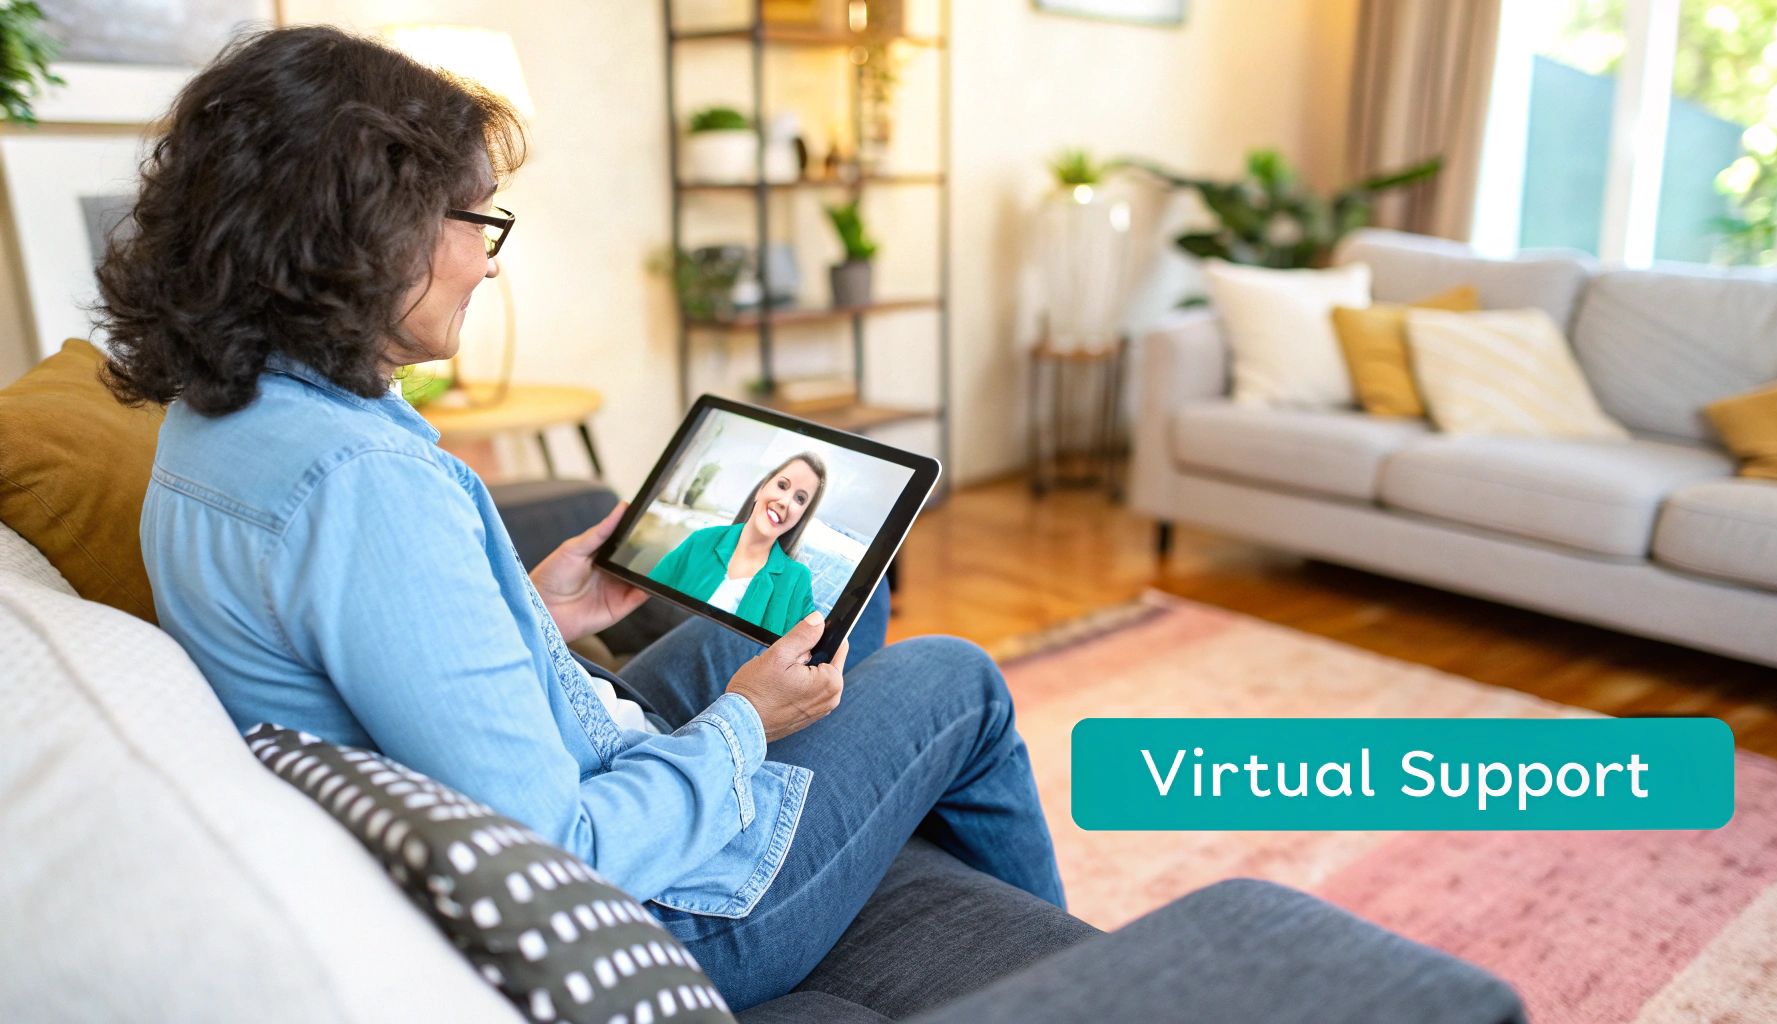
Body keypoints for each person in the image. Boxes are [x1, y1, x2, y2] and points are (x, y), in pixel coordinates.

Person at [98, 26, 1062, 1011]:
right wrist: (746, 722)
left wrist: (529, 611)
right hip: (664, 911)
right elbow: (559, 845)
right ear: (369, 235)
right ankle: (1086, 984)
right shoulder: (361, 482)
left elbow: (369, 650)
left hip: (572, 763)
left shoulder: (216, 416)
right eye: (476, 221)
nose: (489, 263)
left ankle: (927, 885)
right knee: (959, 679)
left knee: (845, 618)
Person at [647, 454, 824, 633]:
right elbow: (643, 597)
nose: (785, 502)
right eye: (782, 485)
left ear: (801, 518)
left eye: (800, 499)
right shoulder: (702, 540)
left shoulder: (796, 578)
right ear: (761, 489)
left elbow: (820, 640)